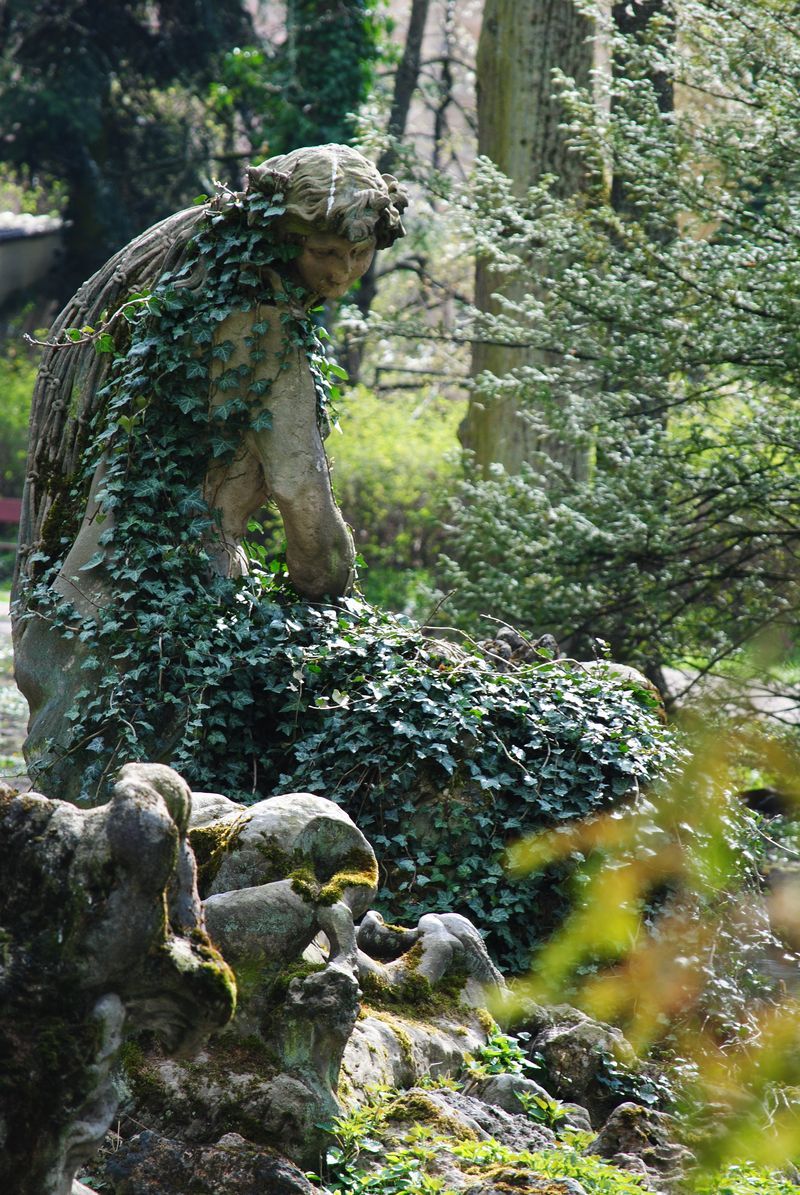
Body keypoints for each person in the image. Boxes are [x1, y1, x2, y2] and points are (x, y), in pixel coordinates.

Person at [11, 144, 407, 798]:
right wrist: (330, 592)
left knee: (79, 828)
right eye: (324, 253)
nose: (341, 275)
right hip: (171, 618)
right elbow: (299, 492)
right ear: (281, 237)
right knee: (143, 825)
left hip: (89, 581)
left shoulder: (185, 290)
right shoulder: (265, 329)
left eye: (358, 255)